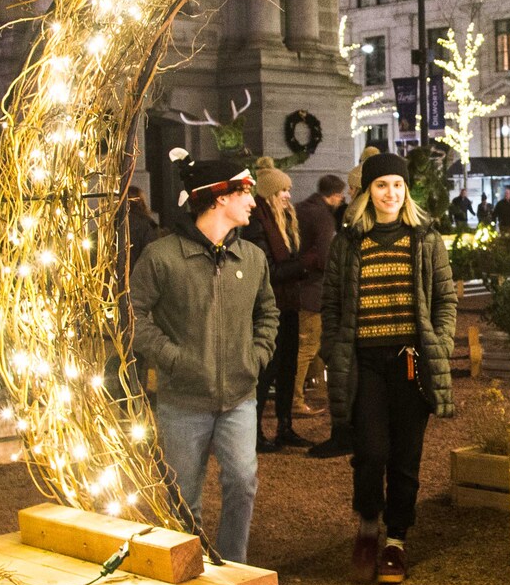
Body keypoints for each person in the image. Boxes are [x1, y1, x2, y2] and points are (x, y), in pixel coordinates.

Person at [129, 155, 279, 564]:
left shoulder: (252, 258)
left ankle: (234, 566)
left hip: (239, 397)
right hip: (183, 401)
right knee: (182, 496)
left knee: (243, 483)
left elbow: (269, 313)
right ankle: (189, 573)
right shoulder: (163, 257)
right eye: (244, 193)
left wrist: (257, 355)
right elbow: (134, 317)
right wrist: (174, 358)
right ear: (218, 199)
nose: (252, 201)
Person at [320, 152, 459, 584]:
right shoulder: (348, 242)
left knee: (405, 455)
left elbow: (445, 299)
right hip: (364, 363)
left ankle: (396, 540)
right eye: (382, 185)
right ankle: (367, 526)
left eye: (397, 185)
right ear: (368, 192)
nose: (390, 193)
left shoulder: (424, 238)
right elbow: (330, 302)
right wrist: (332, 347)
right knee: (370, 451)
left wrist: (439, 341)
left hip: (410, 361)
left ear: (406, 190)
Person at [248, 163, 313, 452]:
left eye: (288, 189)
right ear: (269, 194)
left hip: (287, 304)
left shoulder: (283, 221)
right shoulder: (257, 223)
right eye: (283, 190)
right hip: (268, 308)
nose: (288, 195)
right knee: (268, 370)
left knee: (287, 365)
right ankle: (256, 433)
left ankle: (285, 426)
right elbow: (268, 271)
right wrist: (305, 265)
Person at [294, 173, 347, 413]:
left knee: (312, 344)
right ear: (334, 195)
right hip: (314, 289)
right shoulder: (323, 217)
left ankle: (322, 391)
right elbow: (326, 257)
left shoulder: (301, 208)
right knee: (308, 346)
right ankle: (296, 399)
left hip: (296, 285)